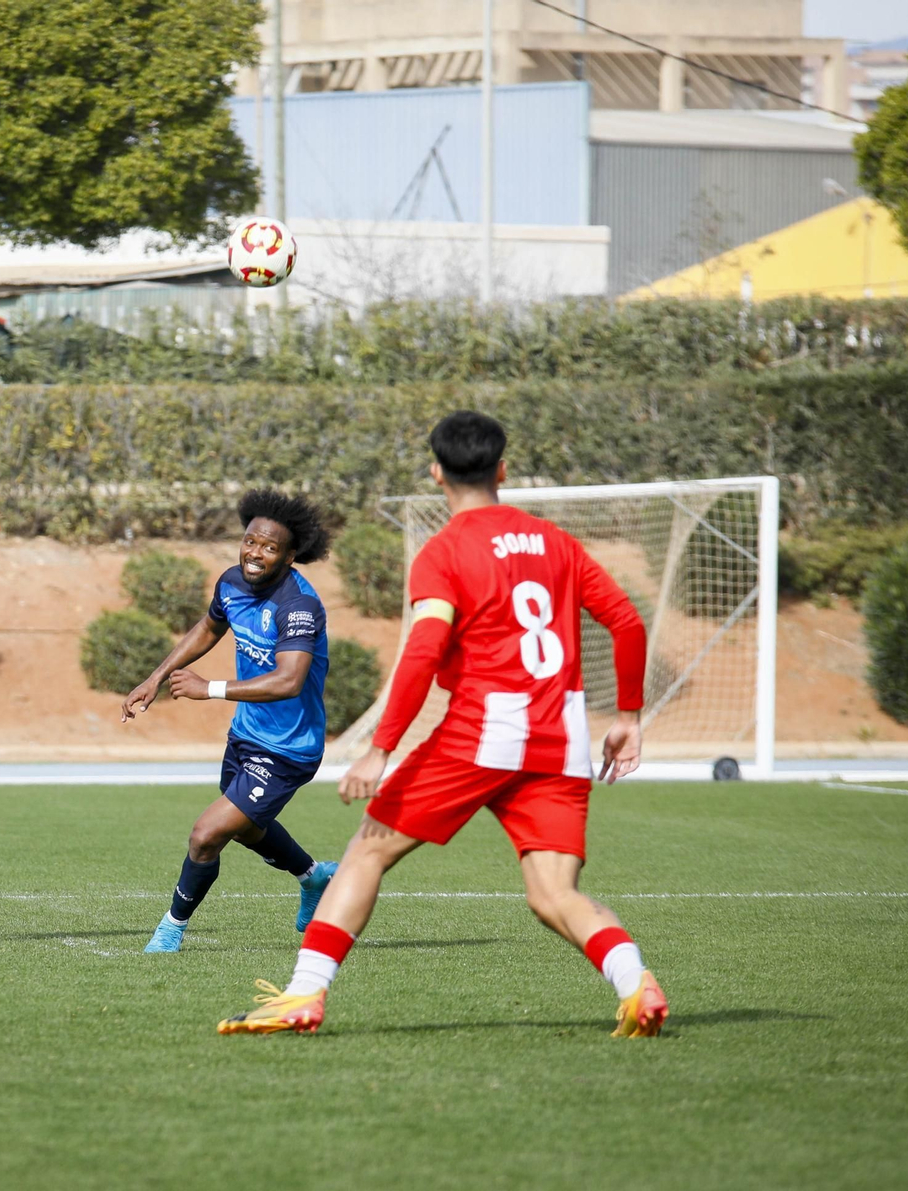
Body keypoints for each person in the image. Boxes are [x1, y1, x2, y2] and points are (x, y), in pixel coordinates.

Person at [218, 411, 667, 1038]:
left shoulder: (446, 552)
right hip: (561, 738)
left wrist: (381, 748)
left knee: (366, 854)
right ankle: (635, 982)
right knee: (552, 894)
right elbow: (627, 622)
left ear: (436, 472)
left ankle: (303, 996)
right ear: (502, 470)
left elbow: (425, 652)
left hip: (482, 732)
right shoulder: (556, 543)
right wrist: (628, 717)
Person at [122, 490, 340, 953]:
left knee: (206, 835)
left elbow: (289, 681)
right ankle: (313, 876)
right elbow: (209, 627)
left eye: (269, 547)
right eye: (250, 541)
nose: (255, 553)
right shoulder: (231, 583)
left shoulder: (299, 605)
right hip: (245, 735)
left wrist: (210, 688)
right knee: (242, 827)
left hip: (289, 748)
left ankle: (170, 930)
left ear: (289, 556)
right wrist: (155, 678)